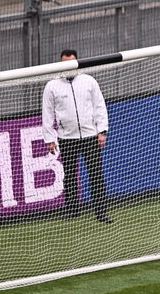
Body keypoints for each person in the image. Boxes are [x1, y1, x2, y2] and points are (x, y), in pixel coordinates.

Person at [42, 49, 112, 223]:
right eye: (65, 63)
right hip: (67, 138)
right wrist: (49, 139)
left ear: (77, 61)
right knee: (70, 176)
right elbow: (47, 114)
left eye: (72, 63)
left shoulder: (89, 81)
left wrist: (102, 131)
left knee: (96, 175)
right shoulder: (52, 86)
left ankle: (101, 212)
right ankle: (73, 210)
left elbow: (99, 107)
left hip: (89, 136)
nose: (69, 67)